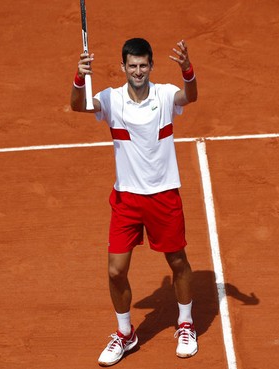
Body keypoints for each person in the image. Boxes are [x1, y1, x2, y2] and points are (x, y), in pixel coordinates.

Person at [70, 37, 199, 366]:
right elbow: (78, 106)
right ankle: (126, 333)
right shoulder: (111, 100)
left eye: (143, 65)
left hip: (163, 194)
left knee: (178, 263)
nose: (138, 71)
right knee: (115, 271)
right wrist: (80, 76)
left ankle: (185, 323)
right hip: (127, 199)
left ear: (151, 66)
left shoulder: (165, 94)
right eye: (132, 66)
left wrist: (186, 69)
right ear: (123, 67)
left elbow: (191, 95)